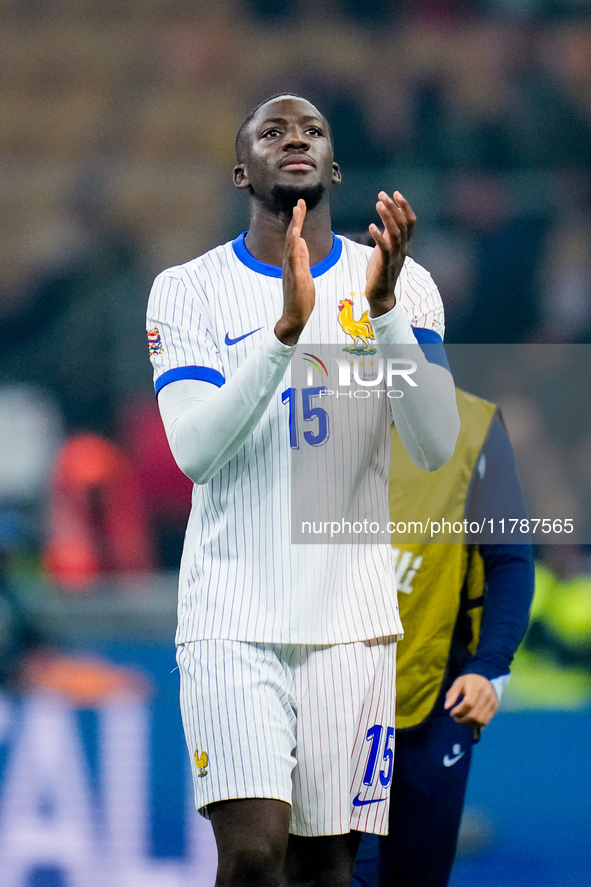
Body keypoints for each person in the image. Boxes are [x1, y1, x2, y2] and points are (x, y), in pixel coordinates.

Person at [146, 94, 460, 887]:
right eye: (273, 130)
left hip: (351, 625)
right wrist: (285, 335)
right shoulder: (187, 290)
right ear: (241, 168)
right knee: (253, 855)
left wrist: (383, 313)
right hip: (231, 620)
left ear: (334, 167)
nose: (295, 138)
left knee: (327, 865)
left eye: (313, 130)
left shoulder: (399, 280)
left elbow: (433, 442)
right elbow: (196, 451)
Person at [351, 388, 535, 887]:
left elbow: (510, 561)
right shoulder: (315, 413)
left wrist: (490, 665)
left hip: (438, 694)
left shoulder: (474, 427)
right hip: (336, 702)